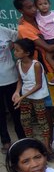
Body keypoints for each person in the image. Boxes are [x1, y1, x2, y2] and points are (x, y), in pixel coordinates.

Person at [11, 39, 51, 157]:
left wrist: (22, 96)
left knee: (42, 121)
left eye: (18, 50)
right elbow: (20, 80)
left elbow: (38, 85)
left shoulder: (36, 65)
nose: (15, 52)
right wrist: (17, 92)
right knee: (25, 121)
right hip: (25, 96)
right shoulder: (18, 63)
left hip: (37, 96)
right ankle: (30, 146)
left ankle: (47, 148)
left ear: (27, 53)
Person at [0, 24, 24, 154]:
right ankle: (5, 140)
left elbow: (18, 37)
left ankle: (21, 137)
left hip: (11, 78)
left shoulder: (3, 31)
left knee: (15, 110)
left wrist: (12, 47)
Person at [32, 0, 54, 84]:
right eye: (40, 4)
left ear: (49, 4)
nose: (43, 6)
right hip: (45, 41)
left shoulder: (53, 15)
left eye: (45, 3)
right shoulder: (37, 15)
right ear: (36, 7)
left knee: (49, 57)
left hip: (53, 39)